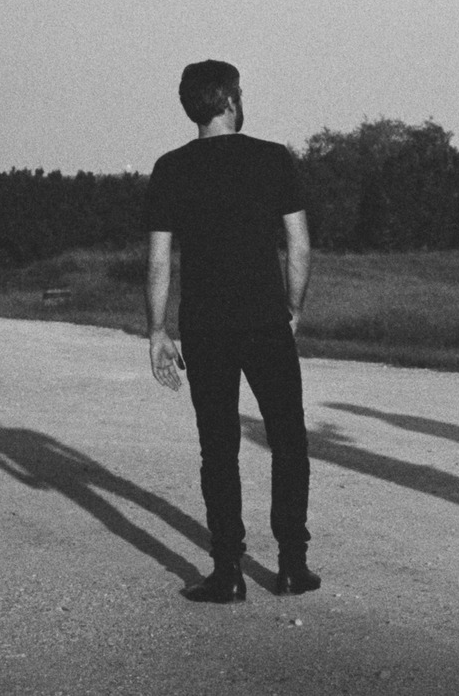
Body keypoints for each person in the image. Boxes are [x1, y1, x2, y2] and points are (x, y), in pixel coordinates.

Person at [144, 60, 319, 601]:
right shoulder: (272, 158)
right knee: (288, 440)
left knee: (218, 449)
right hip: (265, 320)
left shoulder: (170, 168)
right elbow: (299, 245)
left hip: (205, 326)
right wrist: (292, 308)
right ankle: (291, 566)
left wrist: (157, 329)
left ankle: (228, 573)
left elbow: (159, 260)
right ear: (230, 100)